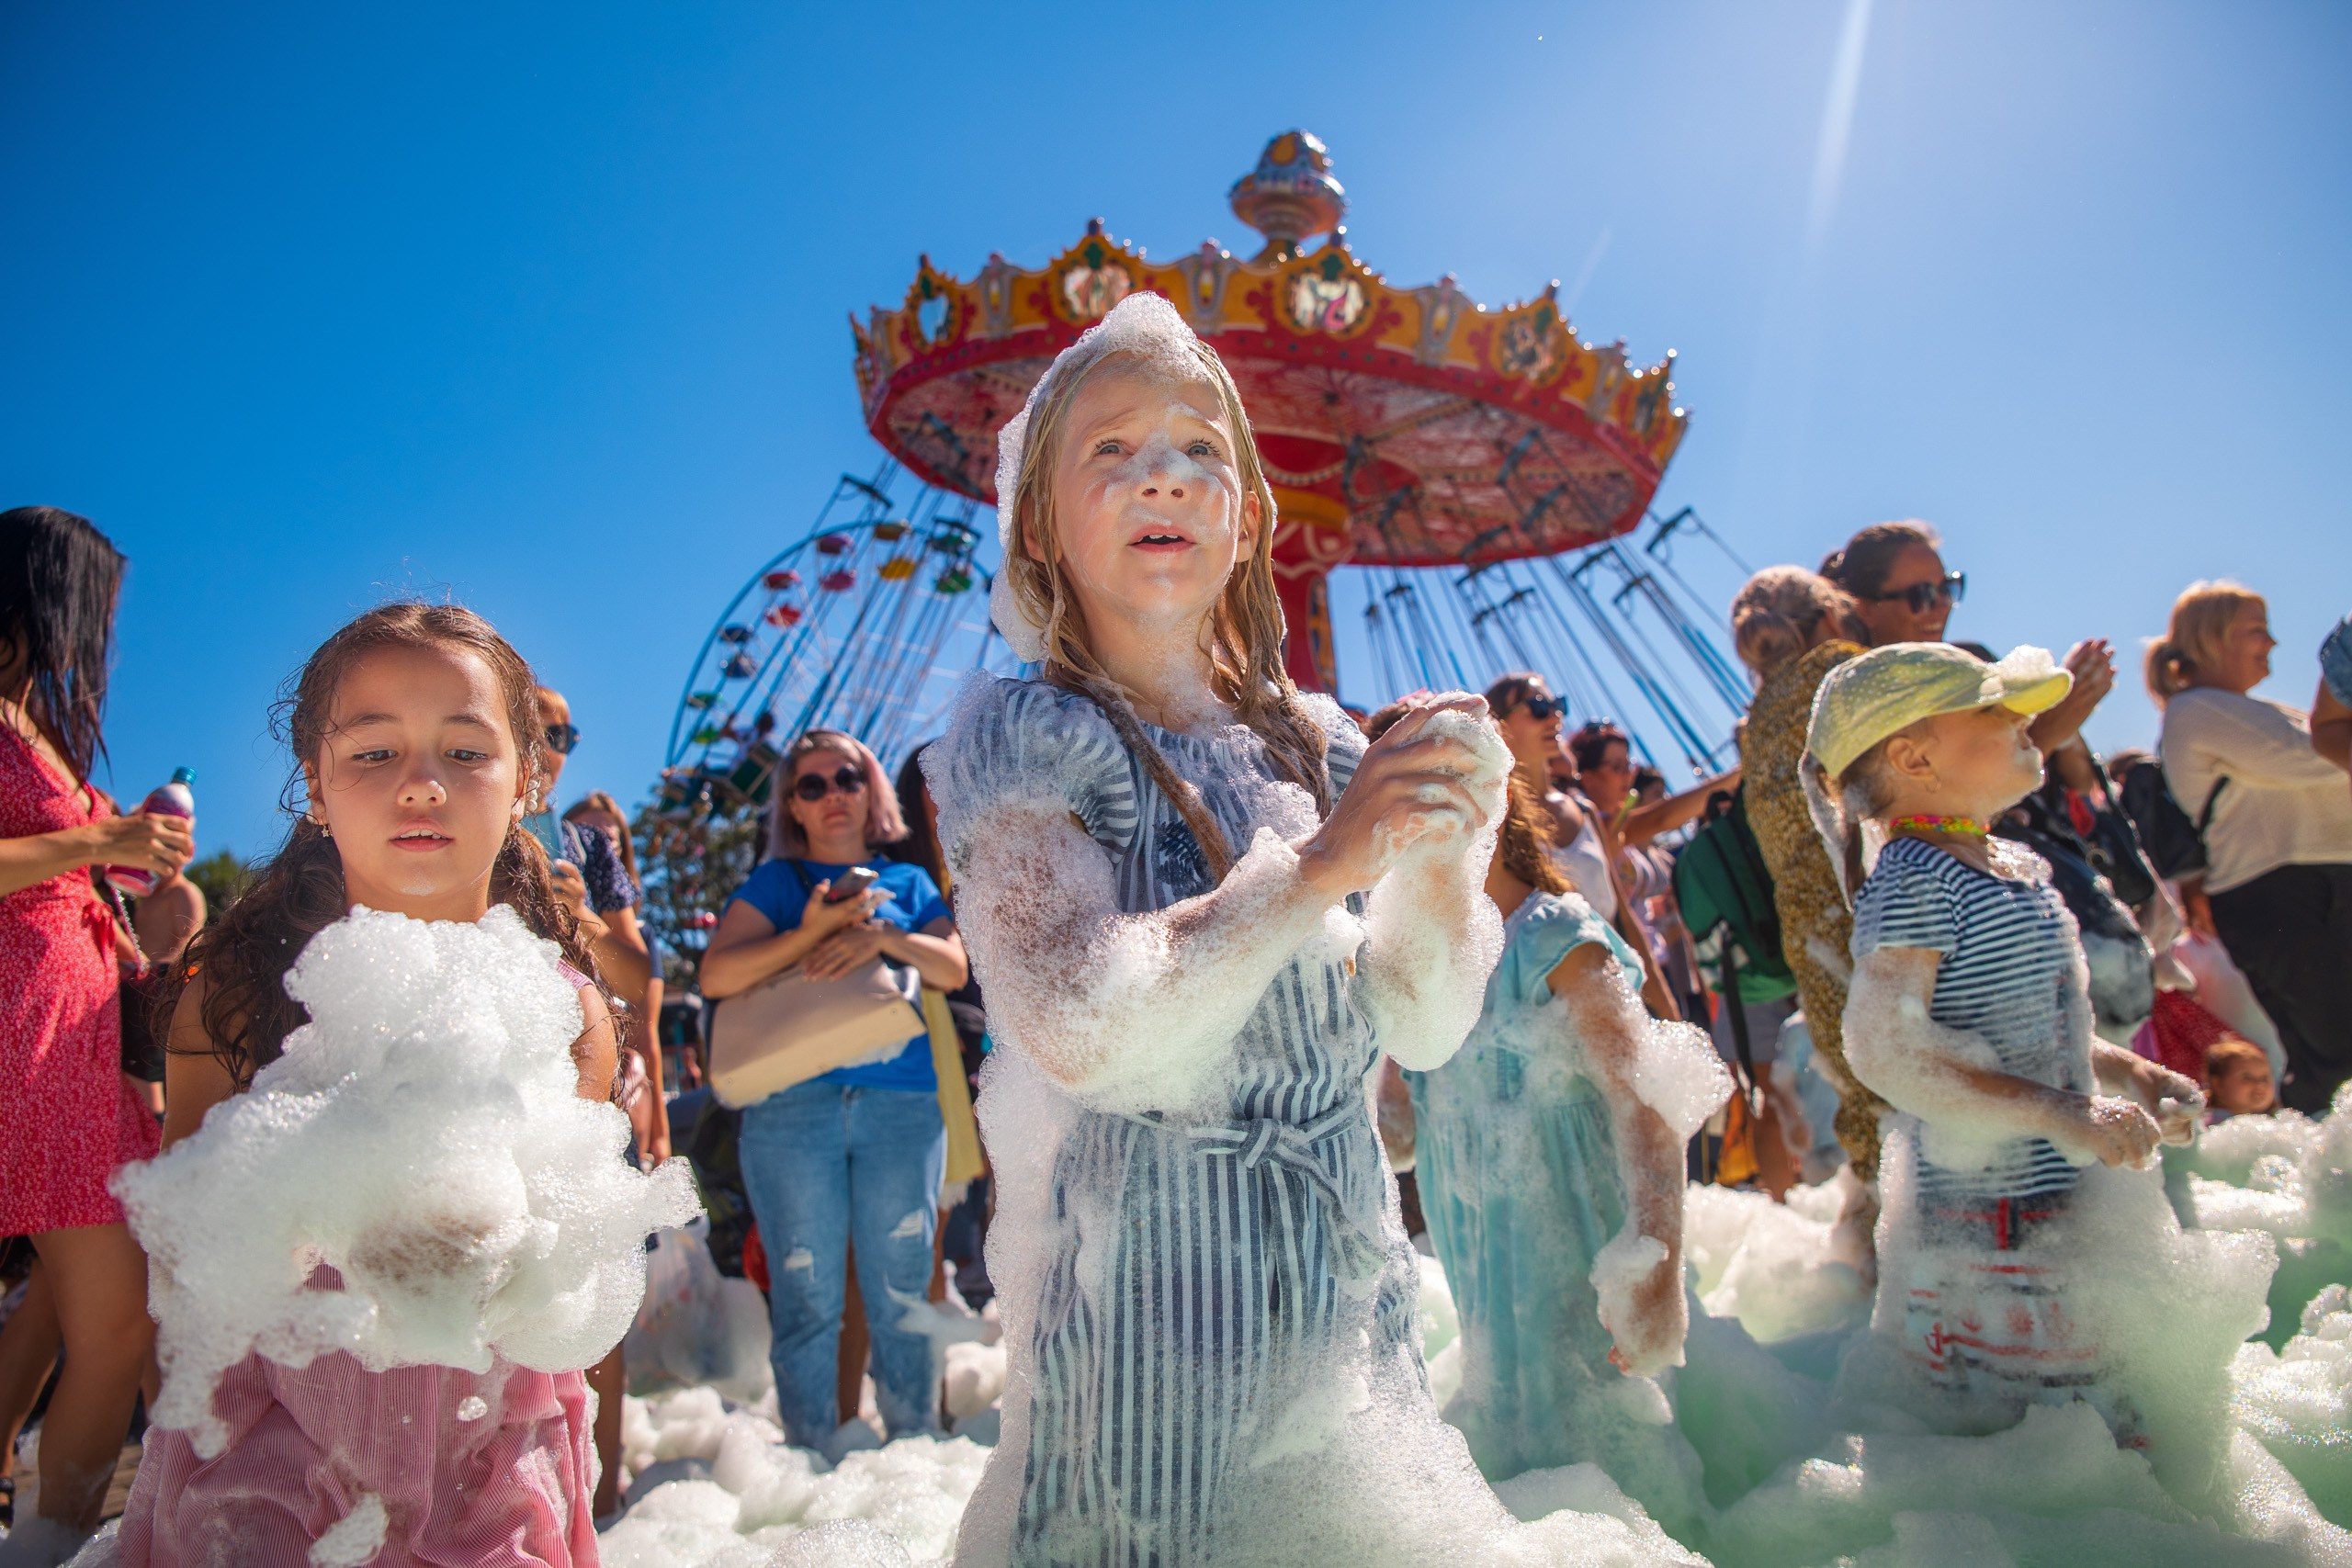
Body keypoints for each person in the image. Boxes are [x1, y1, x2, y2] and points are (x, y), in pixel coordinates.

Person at [928, 292, 1531, 1564]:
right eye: (1113, 448)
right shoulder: (1028, 735)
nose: (1164, 473)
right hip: (1147, 1291)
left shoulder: (1324, 746)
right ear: (1037, 522)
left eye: (1201, 448)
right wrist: (1322, 865)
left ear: (1248, 517)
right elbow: (1075, 1023)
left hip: (1342, 1286)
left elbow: (1424, 1025)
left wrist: (1441, 850)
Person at [110, 603, 617, 1566]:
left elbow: (562, 1285)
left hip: (488, 1475)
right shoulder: (238, 987)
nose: (421, 784)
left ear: (526, 782)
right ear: (316, 784)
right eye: (375, 753)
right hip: (265, 1458)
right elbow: (183, 1256)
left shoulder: (565, 1011)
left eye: (465, 752)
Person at [1810, 641, 2202, 1432]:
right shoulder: (1915, 877)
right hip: (1987, 1220)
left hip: (2059, 1198)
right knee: (2027, 1431)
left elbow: (2036, 1027)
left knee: (2108, 1422)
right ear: (1913, 757)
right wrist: (2061, 1112)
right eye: (1996, 709)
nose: (2026, 719)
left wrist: (2129, 1073)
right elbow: (1884, 1050)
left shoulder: (2015, 866)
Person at [1403, 761, 1724, 1537]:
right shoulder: (1431, 964)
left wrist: (1653, 1260)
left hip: (1577, 1243)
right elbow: (1398, 1132)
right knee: (1520, 1455)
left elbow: (1644, 1100)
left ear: (1484, 809)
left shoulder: (1553, 935)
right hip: (1484, 1271)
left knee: (1608, 1454)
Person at [0, 506, 194, 1562]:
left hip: (79, 1045)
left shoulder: (39, 727)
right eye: (94, 606)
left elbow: (80, 873)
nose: (100, 634)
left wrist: (140, 897)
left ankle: (39, 1545)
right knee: (106, 1314)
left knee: (97, 1315)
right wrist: (98, 839)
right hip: (19, 1034)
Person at [700, 728, 967, 1451]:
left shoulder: (906, 882)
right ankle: (811, 1459)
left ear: (870, 787)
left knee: (902, 1285)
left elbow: (951, 967)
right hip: (792, 1107)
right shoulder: (776, 885)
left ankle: (913, 1453)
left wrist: (880, 937)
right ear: (792, 805)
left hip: (902, 1104)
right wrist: (811, 933)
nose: (832, 795)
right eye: (811, 785)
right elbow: (717, 975)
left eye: (846, 777)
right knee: (806, 1295)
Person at [2150, 581, 2352, 1111]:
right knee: (2336, 1053)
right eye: (2257, 630)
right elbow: (2317, 756)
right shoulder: (2195, 710)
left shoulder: (2259, 711)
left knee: (2334, 1050)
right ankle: (2322, 1154)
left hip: (2317, 886)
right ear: (2210, 638)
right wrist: (2336, 726)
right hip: (2279, 894)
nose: (2272, 643)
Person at [1727, 566, 1884, 1181]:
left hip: (1810, 936)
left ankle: (1880, 1232)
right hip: (1881, 909)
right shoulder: (1842, 671)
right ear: (1829, 617)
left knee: (1869, 1114)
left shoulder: (1756, 721)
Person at [2203, 1036, 2277, 1120]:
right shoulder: (2209, 1123)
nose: (2259, 1084)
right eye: (2247, 1078)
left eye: (2264, 1079)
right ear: (2218, 1084)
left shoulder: (2272, 1120)